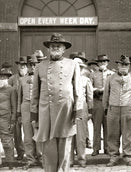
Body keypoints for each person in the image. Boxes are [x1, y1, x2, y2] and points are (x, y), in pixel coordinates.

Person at [31, 33, 84, 172]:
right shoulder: (40, 66)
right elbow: (35, 93)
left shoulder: (72, 64)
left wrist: (77, 111)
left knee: (65, 146)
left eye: (58, 46)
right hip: (45, 111)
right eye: (52, 46)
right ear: (48, 48)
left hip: (65, 111)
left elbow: (77, 89)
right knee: (48, 148)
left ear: (63, 49)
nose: (55, 48)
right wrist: (33, 115)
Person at [103, 55, 131, 167]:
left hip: (128, 109)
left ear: (129, 66)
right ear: (118, 65)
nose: (124, 66)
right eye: (121, 64)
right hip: (113, 109)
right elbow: (106, 94)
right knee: (112, 134)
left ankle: (127, 156)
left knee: (128, 134)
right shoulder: (110, 78)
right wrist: (106, 108)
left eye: (126, 65)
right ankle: (114, 156)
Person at [17, 55, 42, 170]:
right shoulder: (22, 80)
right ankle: (30, 159)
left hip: (38, 107)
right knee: (27, 135)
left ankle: (41, 157)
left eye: (34, 64)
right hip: (26, 107)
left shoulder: (42, 78)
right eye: (30, 65)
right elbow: (19, 97)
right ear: (26, 66)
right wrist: (18, 113)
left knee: (39, 133)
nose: (32, 67)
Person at [70, 57, 93, 168]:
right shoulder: (68, 79)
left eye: (79, 67)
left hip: (81, 107)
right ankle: (69, 159)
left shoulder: (85, 80)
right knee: (69, 135)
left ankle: (81, 159)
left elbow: (90, 97)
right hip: (69, 108)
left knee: (81, 136)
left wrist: (90, 111)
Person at [90, 54, 114, 155]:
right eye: (100, 62)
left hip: (108, 103)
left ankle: (107, 147)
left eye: (104, 62)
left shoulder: (112, 74)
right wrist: (97, 90)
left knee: (108, 126)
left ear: (107, 63)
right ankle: (96, 148)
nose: (102, 64)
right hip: (97, 102)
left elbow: (115, 87)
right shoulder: (93, 74)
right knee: (96, 126)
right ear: (98, 63)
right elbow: (89, 87)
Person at [8, 57, 26, 161]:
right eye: (20, 65)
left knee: (31, 133)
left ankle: (34, 154)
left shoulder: (31, 78)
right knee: (17, 133)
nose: (22, 67)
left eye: (24, 65)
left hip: (27, 108)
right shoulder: (12, 79)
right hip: (15, 109)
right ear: (17, 66)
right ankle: (20, 152)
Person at [0, 68, 16, 169]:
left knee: (7, 140)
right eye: (1, 77)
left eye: (4, 77)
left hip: (6, 118)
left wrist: (13, 119)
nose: (2, 79)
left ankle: (10, 162)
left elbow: (14, 106)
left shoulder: (11, 90)